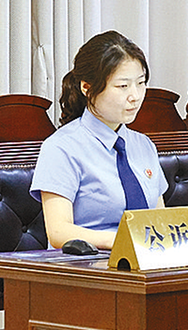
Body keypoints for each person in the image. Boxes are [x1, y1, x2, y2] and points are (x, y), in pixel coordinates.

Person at [30, 30, 167, 250]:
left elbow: (159, 220)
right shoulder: (61, 147)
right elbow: (58, 232)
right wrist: (122, 241)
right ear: (87, 87)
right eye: (122, 86)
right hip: (88, 263)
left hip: (144, 261)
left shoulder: (143, 145)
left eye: (141, 83)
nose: (135, 96)